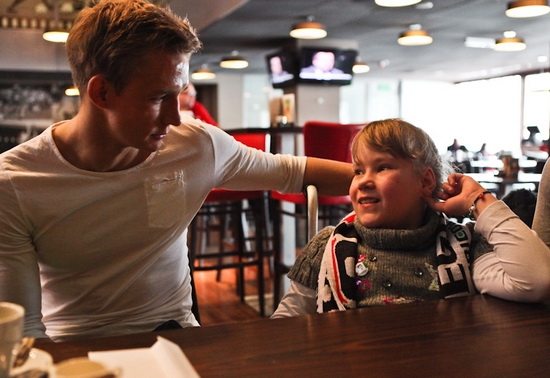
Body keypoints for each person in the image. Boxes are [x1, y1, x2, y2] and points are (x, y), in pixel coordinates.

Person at [0, 0, 353, 342]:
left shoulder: (195, 144)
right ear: (102, 92)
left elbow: (294, 171)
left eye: (179, 95)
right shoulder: (15, 183)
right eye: (158, 98)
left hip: (177, 338)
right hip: (77, 349)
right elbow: (24, 330)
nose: (174, 117)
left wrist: (400, 184)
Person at [272, 119, 550, 318]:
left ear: (425, 181)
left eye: (382, 167)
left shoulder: (465, 247)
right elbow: (286, 326)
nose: (364, 181)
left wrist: (480, 200)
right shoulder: (326, 247)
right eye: (358, 171)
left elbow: (538, 280)